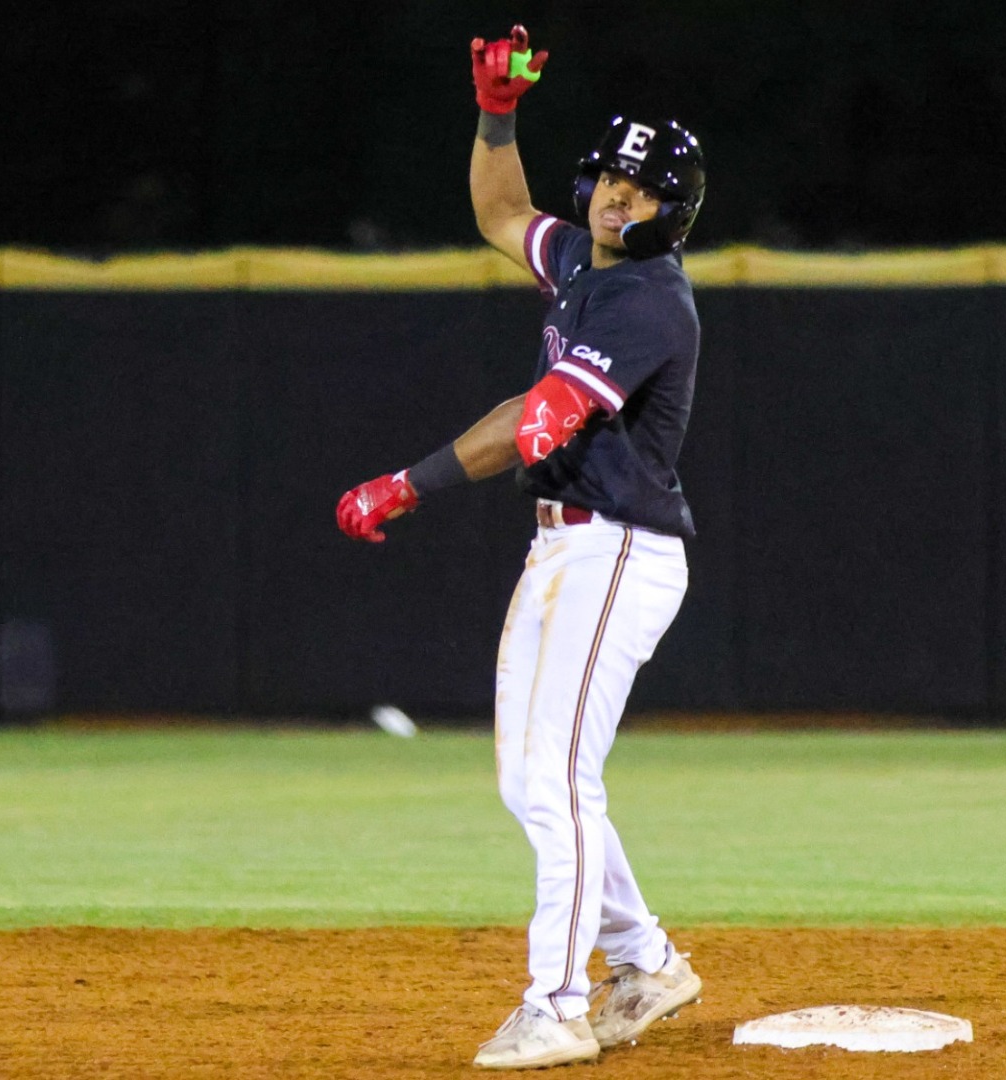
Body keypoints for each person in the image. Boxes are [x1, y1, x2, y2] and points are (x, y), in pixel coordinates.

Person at [333, 24, 708, 1072]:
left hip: (618, 549)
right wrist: (497, 117)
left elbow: (538, 421)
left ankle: (557, 1004)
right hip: (569, 549)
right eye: (612, 179)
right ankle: (647, 962)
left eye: (642, 191)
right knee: (533, 783)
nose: (619, 198)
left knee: (558, 782)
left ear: (671, 212)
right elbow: (501, 213)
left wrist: (412, 481)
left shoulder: (647, 299)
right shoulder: (583, 259)